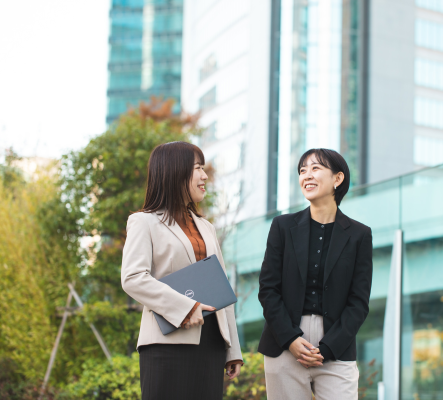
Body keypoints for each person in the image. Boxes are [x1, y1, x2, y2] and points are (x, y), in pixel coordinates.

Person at [121, 141, 242, 400]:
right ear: (174, 172)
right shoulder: (144, 222)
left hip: (211, 344)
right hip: (166, 344)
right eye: (197, 168)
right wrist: (185, 308)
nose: (204, 175)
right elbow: (133, 278)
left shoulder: (206, 227)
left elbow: (222, 289)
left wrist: (232, 349)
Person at [258, 148, 373, 399]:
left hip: (336, 345)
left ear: (338, 178)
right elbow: (268, 289)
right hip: (284, 342)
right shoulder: (282, 226)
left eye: (315, 168)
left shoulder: (359, 235)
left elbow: (359, 302)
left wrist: (329, 347)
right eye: (302, 170)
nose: (306, 175)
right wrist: (290, 339)